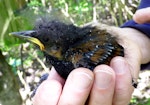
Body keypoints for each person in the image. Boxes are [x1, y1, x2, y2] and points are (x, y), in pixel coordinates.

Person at [33, 0, 150, 105]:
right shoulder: (63, 56)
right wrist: (139, 35)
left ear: (57, 47)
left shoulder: (78, 55)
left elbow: (117, 51)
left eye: (47, 42)